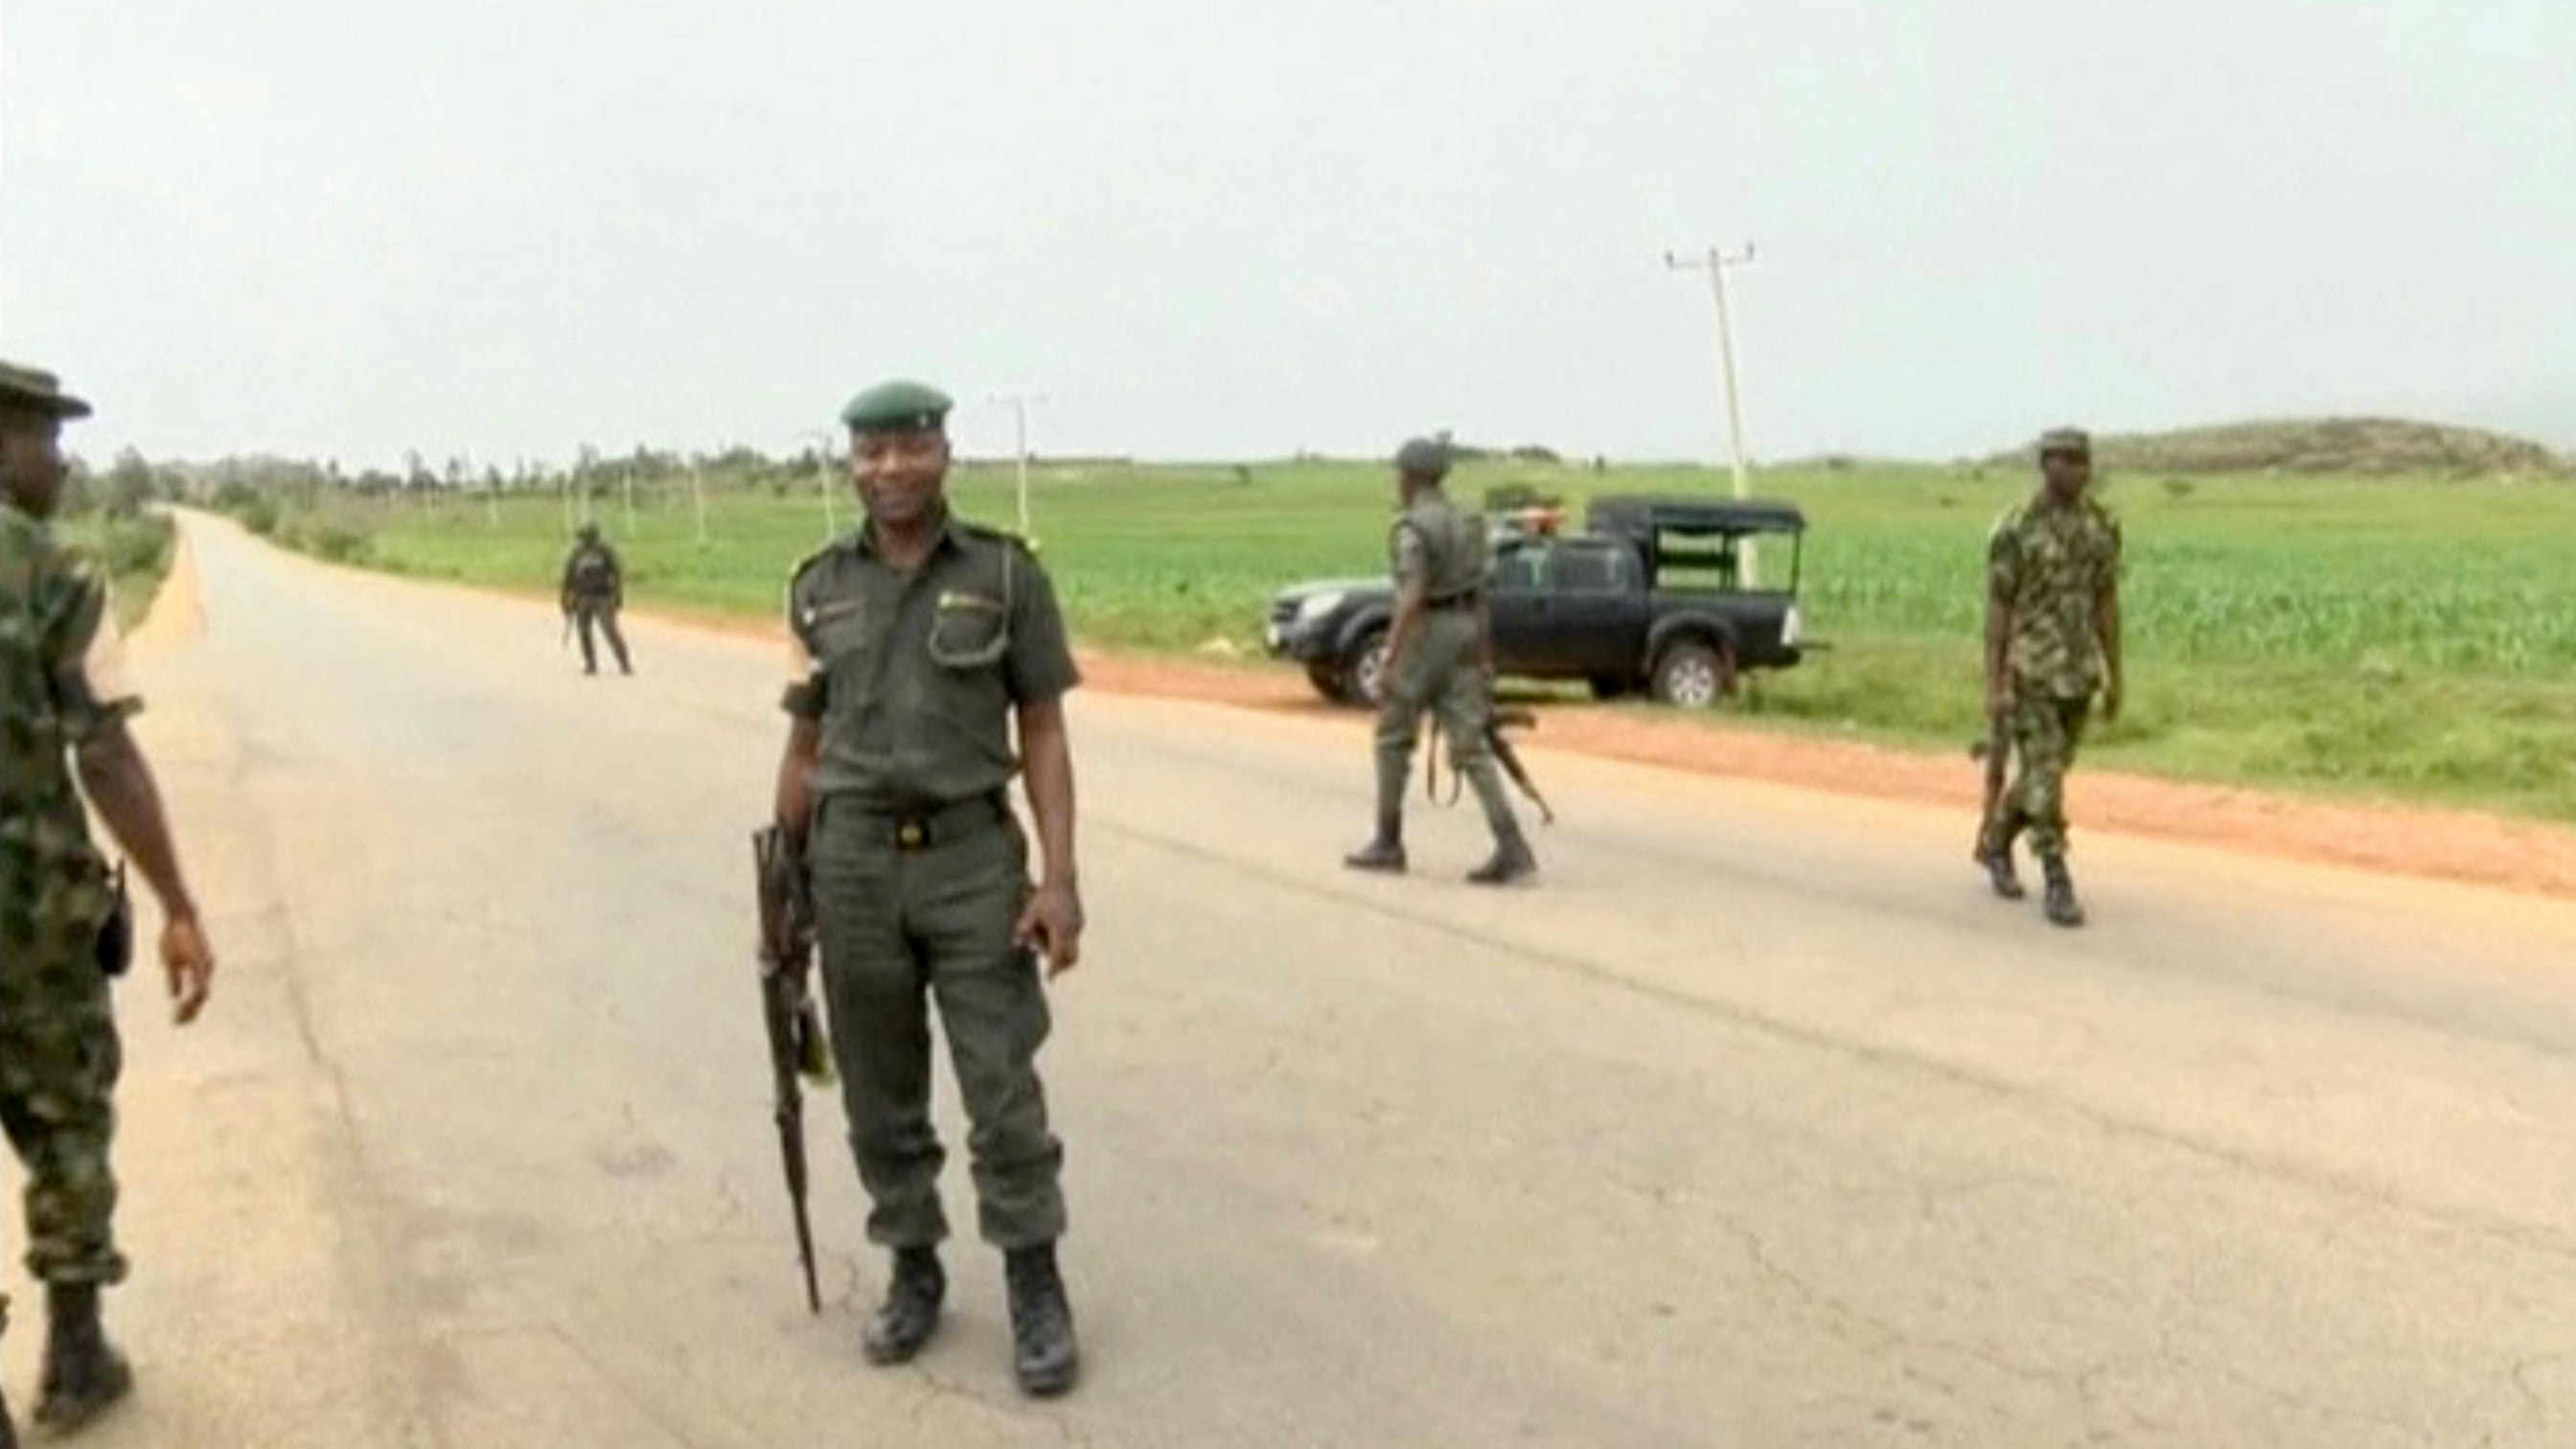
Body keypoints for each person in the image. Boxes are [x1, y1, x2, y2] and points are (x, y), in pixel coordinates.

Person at [770, 379, 1086, 1396]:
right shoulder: (817, 586)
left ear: (943, 452)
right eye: (871, 452)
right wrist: (784, 885)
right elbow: (805, 741)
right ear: (850, 464)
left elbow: (1041, 726)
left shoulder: (1003, 573)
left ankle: (1035, 1282)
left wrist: (1060, 878)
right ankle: (914, 1268)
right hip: (851, 862)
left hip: (970, 865)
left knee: (1003, 1086)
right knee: (877, 1090)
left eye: (910, 448)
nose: (890, 469)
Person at [0, 361, 217, 1443]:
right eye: (46, 437)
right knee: (67, 1122)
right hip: (29, 925)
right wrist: (178, 899)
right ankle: (75, 1357)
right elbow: (107, 755)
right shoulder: (56, 576)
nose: (63, 460)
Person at [1345, 437, 1536, 885]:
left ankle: (1388, 841)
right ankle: (1511, 844)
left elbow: (1412, 592)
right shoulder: (1469, 521)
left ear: (1410, 477)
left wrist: (1390, 652)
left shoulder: (1414, 527)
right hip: (1467, 630)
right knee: (1471, 744)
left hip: (1426, 631)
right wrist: (1485, 657)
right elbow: (1480, 594)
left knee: (1392, 737)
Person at [1977, 426, 2125, 927]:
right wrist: (1994, 684)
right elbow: (1998, 609)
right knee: (2045, 778)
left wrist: (2115, 672)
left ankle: (1996, 840)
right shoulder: (2017, 529)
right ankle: (2057, 879)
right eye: (2058, 459)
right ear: (2043, 465)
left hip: (2078, 674)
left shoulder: (2100, 528)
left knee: (2049, 772)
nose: (2069, 469)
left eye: (2078, 460)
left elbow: (2106, 602)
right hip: (2031, 672)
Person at [559, 522, 632, 676]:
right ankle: (590, 663)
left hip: (603, 596)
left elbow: (616, 574)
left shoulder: (604, 552)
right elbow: (568, 579)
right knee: (584, 631)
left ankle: (624, 662)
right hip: (583, 597)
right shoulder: (576, 554)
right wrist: (565, 601)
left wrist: (618, 595)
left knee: (610, 630)